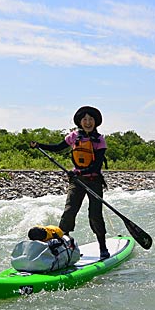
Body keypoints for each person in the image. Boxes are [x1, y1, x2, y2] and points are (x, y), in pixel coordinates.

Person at [30, 106, 110, 259]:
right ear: (80, 122)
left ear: (95, 122)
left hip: (94, 180)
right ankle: (61, 245)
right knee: (69, 211)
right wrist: (39, 145)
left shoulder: (100, 140)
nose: (88, 122)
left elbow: (97, 165)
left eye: (91, 119)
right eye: (85, 119)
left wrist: (79, 172)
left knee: (95, 215)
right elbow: (57, 147)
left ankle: (103, 247)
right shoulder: (74, 136)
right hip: (76, 181)